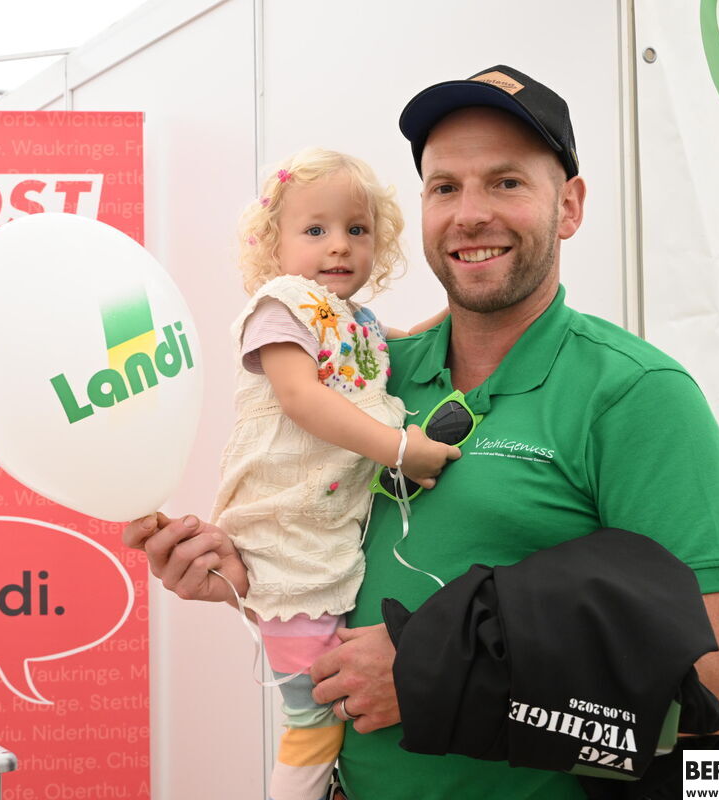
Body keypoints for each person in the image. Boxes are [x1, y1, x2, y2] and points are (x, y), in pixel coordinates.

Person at [126, 65, 719, 800]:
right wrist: (251, 576)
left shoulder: (636, 394)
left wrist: (437, 671)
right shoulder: (369, 375)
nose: (470, 214)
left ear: (569, 206)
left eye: (507, 183)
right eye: (445, 187)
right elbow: (335, 550)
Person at [210, 147, 458, 800]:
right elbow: (301, 397)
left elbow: (403, 344)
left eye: (357, 229)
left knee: (334, 707)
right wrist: (399, 449)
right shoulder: (280, 307)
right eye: (315, 229)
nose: (339, 245)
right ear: (274, 244)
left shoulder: (359, 323)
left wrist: (463, 309)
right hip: (285, 537)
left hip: (326, 535)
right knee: (313, 715)